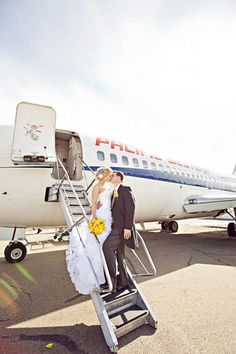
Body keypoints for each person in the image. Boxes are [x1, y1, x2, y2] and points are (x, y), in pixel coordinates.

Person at [66, 166, 113, 294]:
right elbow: (93, 203)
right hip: (100, 216)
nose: (111, 176)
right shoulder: (96, 187)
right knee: (98, 246)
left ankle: (108, 272)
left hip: (108, 216)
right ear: (104, 175)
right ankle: (97, 277)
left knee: (106, 245)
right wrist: (94, 219)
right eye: (109, 175)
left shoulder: (109, 187)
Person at [102, 171, 135, 292]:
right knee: (120, 254)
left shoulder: (125, 190)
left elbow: (130, 209)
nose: (111, 176)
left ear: (119, 178)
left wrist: (128, 227)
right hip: (116, 227)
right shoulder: (113, 193)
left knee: (106, 247)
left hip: (121, 228)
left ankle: (111, 281)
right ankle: (124, 281)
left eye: (113, 175)